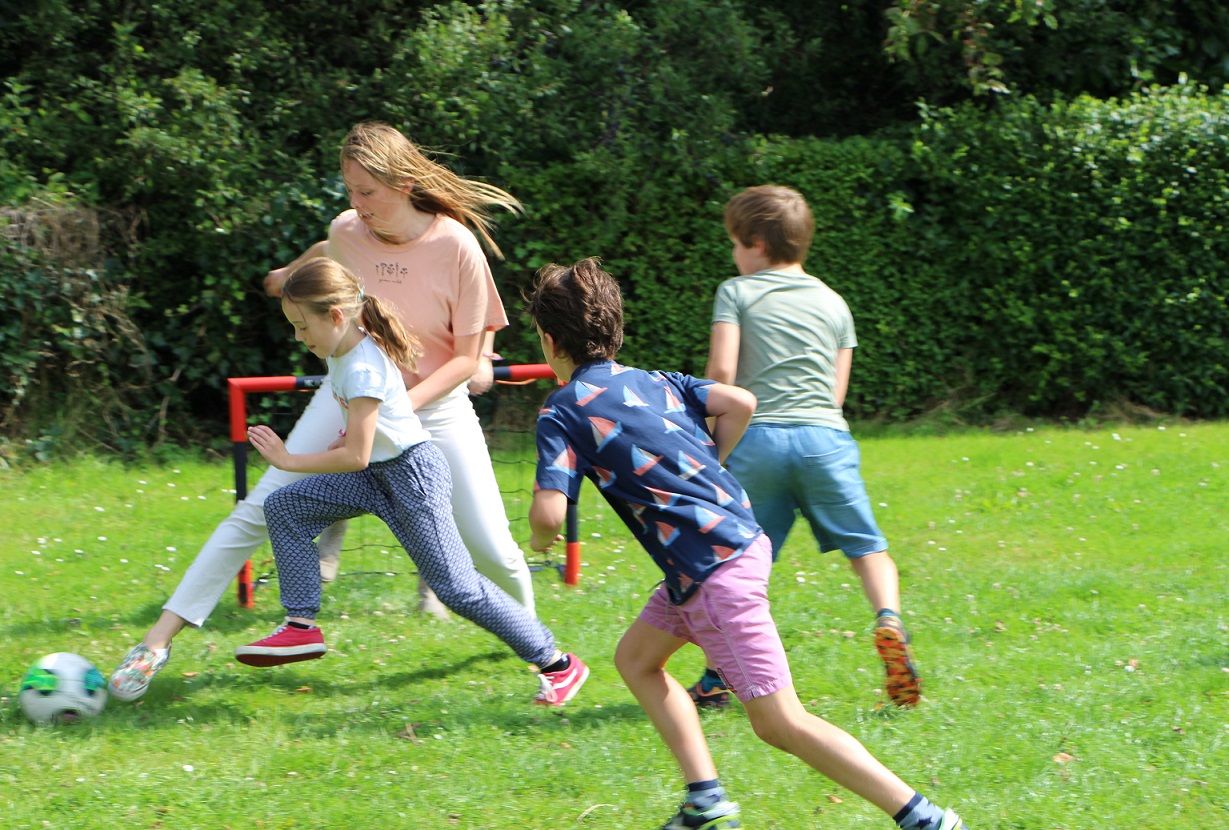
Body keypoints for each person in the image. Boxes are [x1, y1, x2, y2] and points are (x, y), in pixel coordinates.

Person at [524, 259, 968, 829]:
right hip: (727, 549)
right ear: (614, 329)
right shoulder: (656, 381)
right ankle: (704, 801)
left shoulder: (562, 410)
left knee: (780, 722)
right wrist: (710, 466)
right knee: (636, 661)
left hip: (713, 573)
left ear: (550, 339)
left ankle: (925, 817)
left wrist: (541, 540)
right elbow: (741, 403)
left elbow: (549, 513)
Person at [109, 122, 536, 701]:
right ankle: (156, 644)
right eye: (349, 191)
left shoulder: (455, 244)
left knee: (490, 547)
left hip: (431, 409)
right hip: (345, 396)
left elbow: (465, 359)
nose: (356, 206)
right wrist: (288, 279)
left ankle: (535, 640)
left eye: (368, 192)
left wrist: (394, 411)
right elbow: (326, 262)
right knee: (258, 508)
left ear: (406, 182)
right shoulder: (347, 232)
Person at [231, 258, 587, 705]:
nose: (299, 338)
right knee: (286, 506)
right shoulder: (342, 352)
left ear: (336, 316)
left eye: (303, 327)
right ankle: (300, 626)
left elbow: (354, 455)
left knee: (457, 588)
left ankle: (558, 664)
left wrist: (288, 459)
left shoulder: (359, 365)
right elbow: (366, 438)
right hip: (377, 476)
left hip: (411, 478)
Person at [686, 184, 921, 711]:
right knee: (868, 548)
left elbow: (723, 372)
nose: (732, 254)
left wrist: (700, 430)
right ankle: (888, 617)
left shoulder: (737, 292)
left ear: (755, 245)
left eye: (733, 243)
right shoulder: (834, 302)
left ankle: (718, 677)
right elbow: (835, 394)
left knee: (736, 568)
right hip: (825, 440)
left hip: (757, 441)